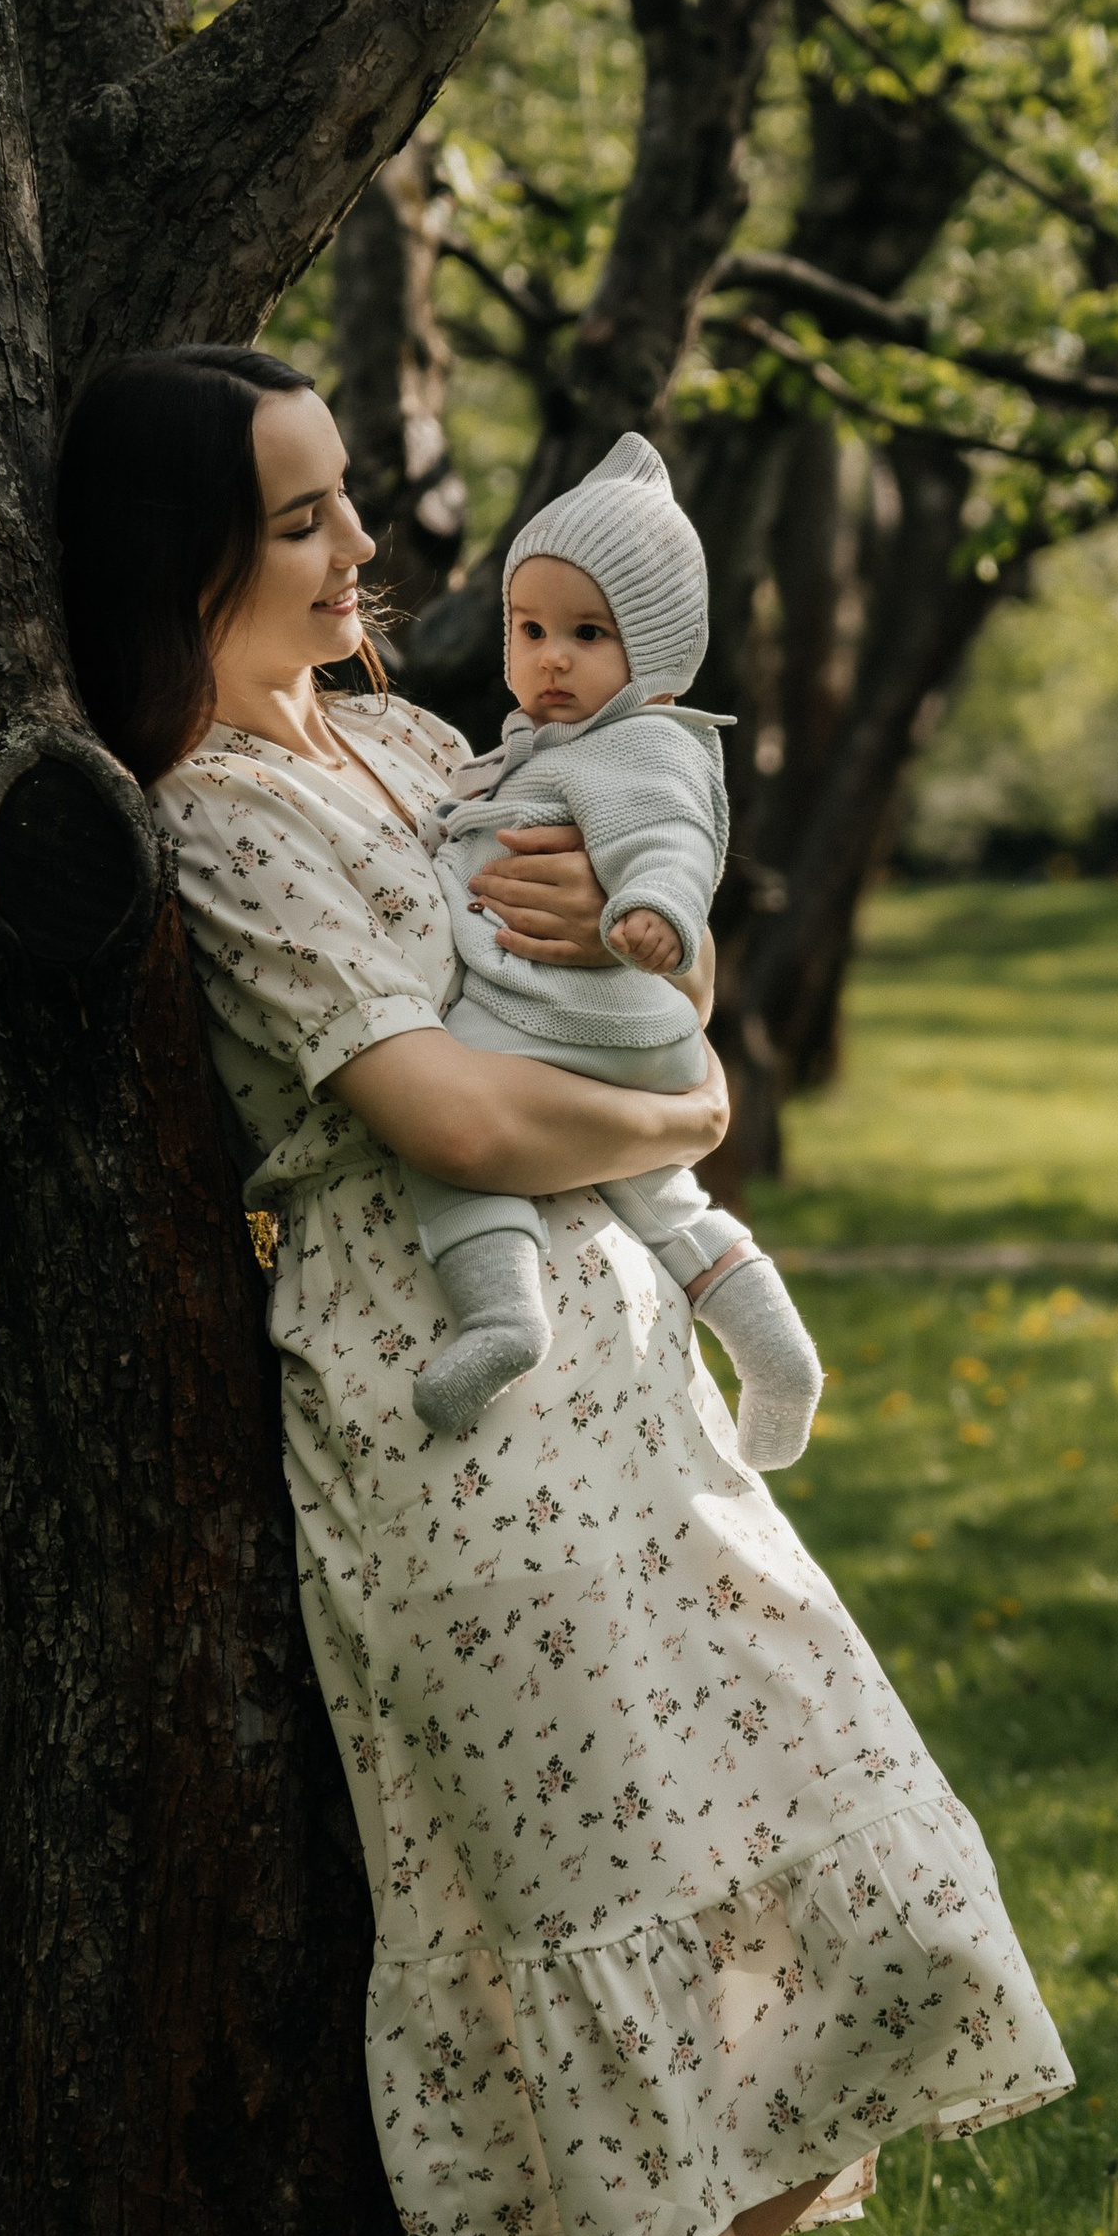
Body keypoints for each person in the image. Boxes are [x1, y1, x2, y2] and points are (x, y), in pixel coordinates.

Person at [55, 343, 1078, 2236]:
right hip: (450, 1444)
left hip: (632, 1386)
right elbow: (439, 1096)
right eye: (301, 521)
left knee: (853, 1873)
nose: (358, 554)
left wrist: (658, 1065)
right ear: (186, 560)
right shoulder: (213, 816)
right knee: (610, 1975)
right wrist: (634, 1085)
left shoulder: (421, 753)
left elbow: (658, 1026)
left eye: (340, 505)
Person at [401, 429, 822, 1469]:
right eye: (530, 625)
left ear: (661, 650)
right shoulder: (544, 749)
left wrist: (655, 914)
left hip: (548, 1023)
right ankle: (777, 1360)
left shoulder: (639, 743)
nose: (551, 655)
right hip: (626, 1038)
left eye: (589, 632)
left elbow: (671, 838)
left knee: (448, 1143)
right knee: (674, 1204)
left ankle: (502, 1317)